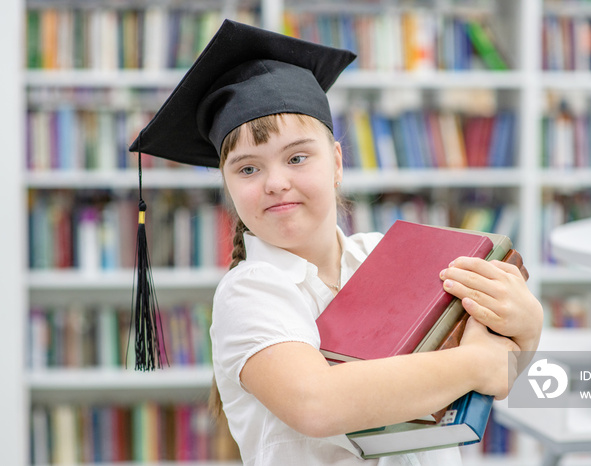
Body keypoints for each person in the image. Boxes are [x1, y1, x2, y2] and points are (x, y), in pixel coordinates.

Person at [130, 20, 543, 466]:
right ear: (228, 186)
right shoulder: (250, 291)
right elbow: (316, 402)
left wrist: (527, 329)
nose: (276, 182)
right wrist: (476, 363)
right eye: (248, 169)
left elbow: (498, 380)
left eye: (297, 157)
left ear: (337, 163)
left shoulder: (390, 256)